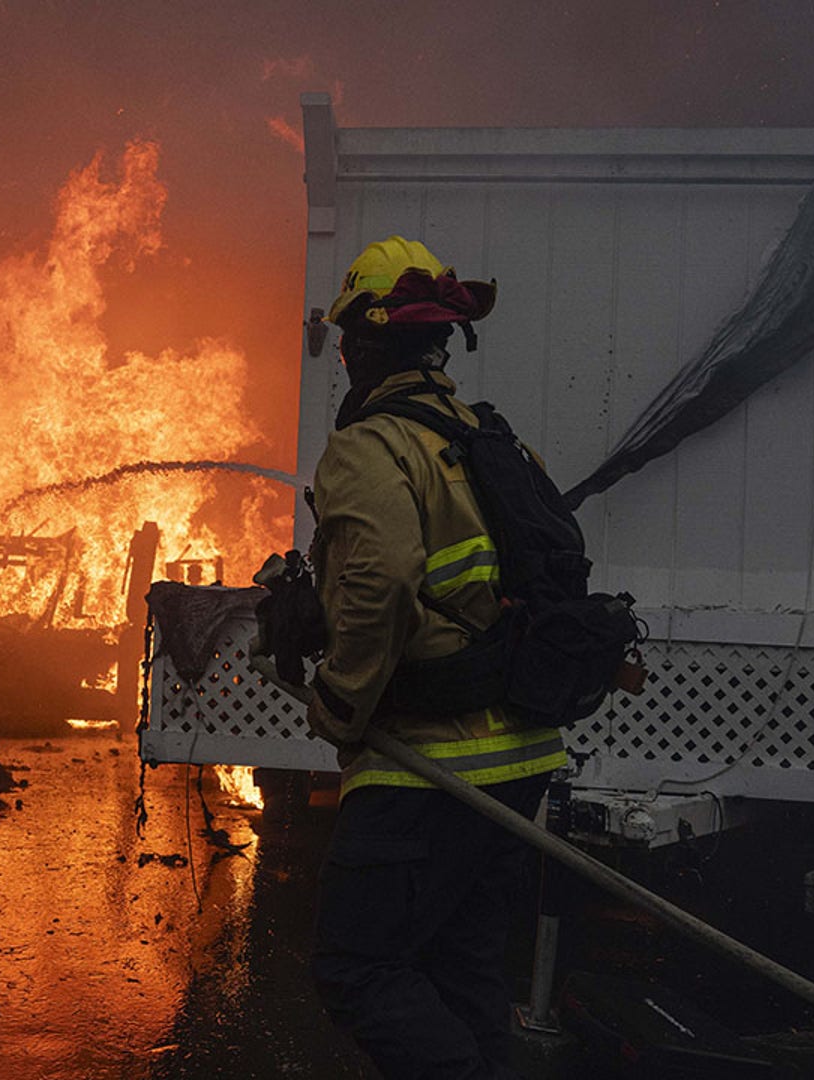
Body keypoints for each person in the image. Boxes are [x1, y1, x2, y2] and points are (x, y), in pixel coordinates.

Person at [307, 236, 569, 1080]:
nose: (344, 356)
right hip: (521, 761)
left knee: (359, 968)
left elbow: (379, 581)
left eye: (349, 339)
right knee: (462, 971)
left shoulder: (372, 445)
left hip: (429, 766)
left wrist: (340, 704)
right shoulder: (492, 441)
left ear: (376, 341)